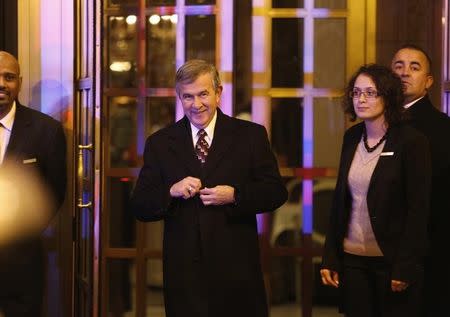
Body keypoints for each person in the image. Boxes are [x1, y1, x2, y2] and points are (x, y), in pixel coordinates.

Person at [130, 59, 287, 317]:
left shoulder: (250, 135)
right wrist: (171, 191)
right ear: (179, 97)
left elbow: (275, 192)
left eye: (203, 94)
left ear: (218, 93)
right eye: (188, 97)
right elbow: (140, 205)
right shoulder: (159, 143)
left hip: (237, 270)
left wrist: (235, 196)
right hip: (184, 274)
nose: (197, 104)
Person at [320, 64, 431, 317]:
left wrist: (405, 265)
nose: (361, 99)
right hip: (353, 259)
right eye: (356, 92)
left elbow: (418, 209)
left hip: (391, 261)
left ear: (388, 96)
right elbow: (340, 201)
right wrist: (330, 257)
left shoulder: (411, 141)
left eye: (370, 93)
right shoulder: (352, 137)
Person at [0, 51, 67, 316]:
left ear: (20, 82)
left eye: (9, 77)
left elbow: (54, 192)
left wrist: (19, 228)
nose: (2, 83)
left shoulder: (46, 130)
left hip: (23, 261)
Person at [391, 44, 450, 316]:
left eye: (414, 67)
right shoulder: (374, 122)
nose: (404, 73)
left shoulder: (441, 127)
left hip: (429, 246)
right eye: (398, 66)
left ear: (428, 81)